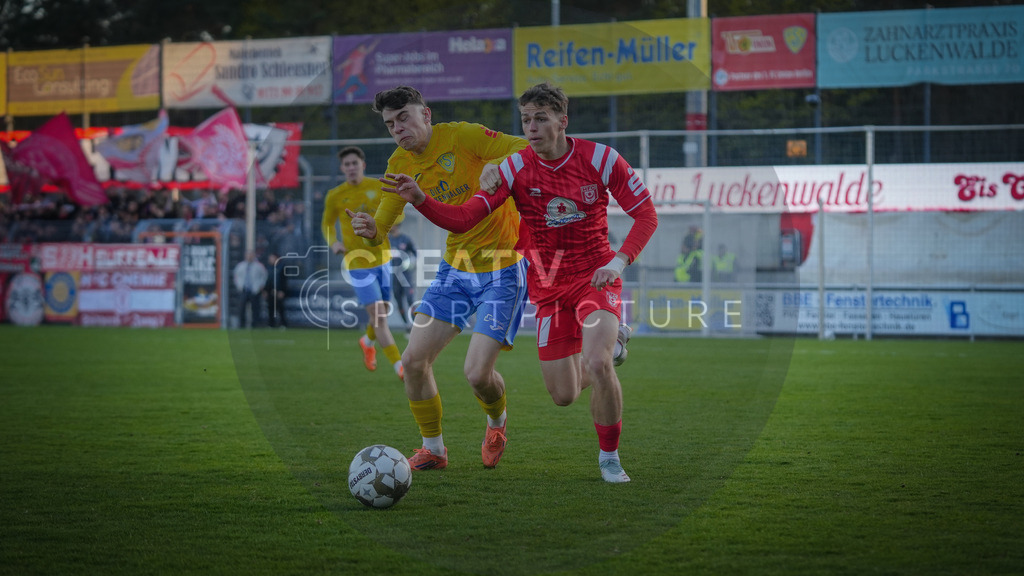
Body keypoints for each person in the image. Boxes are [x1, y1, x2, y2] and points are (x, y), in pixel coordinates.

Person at [384, 82, 658, 483]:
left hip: (595, 276)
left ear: (563, 122)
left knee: (596, 363)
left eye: (540, 118)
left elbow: (646, 216)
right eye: (525, 120)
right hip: (547, 286)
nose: (531, 127)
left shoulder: (601, 158)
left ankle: (610, 460)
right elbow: (463, 219)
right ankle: (612, 351)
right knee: (563, 396)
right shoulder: (513, 170)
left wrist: (617, 263)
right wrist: (421, 200)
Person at [349, 85, 529, 471]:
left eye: (404, 118)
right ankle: (434, 448)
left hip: (503, 267)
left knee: (478, 374)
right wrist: (370, 229)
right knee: (414, 361)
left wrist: (498, 165)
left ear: (426, 115)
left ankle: (496, 423)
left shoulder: (463, 136)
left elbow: (525, 150)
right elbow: (383, 225)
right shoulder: (399, 163)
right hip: (455, 269)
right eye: (390, 123)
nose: (398, 128)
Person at [322, 146, 404, 380]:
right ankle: (399, 366)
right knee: (378, 315)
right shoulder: (335, 195)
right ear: (342, 169)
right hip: (357, 262)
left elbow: (397, 210)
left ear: (362, 165)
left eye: (354, 163)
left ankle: (367, 341)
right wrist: (333, 242)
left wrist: (395, 222)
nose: (350, 168)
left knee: (382, 313)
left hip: (383, 258)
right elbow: (327, 225)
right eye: (346, 164)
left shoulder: (377, 187)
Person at [387, 221, 417, 330]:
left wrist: (412, 262)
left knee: (410, 299)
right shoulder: (387, 240)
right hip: (394, 277)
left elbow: (415, 253)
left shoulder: (405, 239)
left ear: (397, 225)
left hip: (405, 276)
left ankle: (415, 325)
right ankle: (406, 325)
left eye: (393, 224)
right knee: (398, 301)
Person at [233, 250, 268, 328]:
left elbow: (264, 276)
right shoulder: (240, 266)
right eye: (248, 255)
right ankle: (242, 325)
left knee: (255, 309)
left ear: (254, 256)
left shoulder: (259, 266)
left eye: (251, 255)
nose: (249, 256)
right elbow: (236, 277)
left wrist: (261, 286)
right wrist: (239, 286)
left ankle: (255, 325)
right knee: (241, 309)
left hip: (255, 290)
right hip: (243, 290)